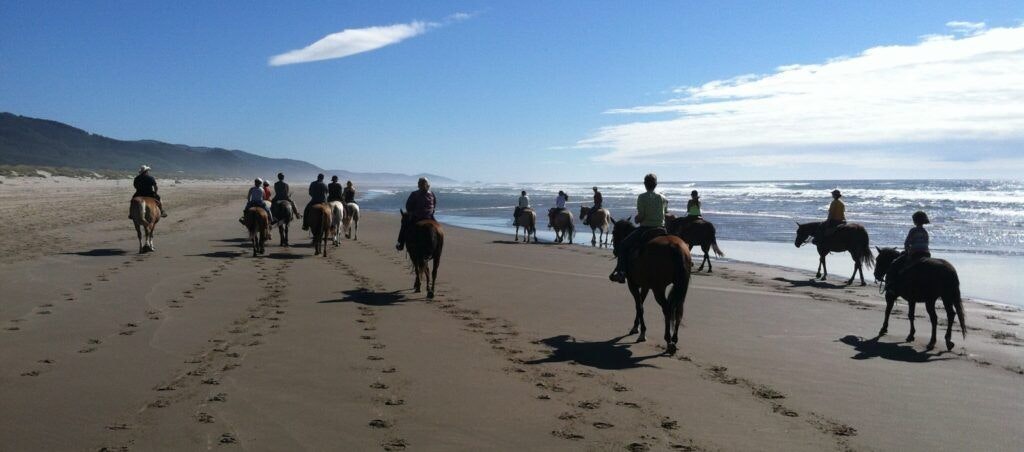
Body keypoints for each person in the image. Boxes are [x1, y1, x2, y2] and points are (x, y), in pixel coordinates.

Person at [609, 173, 668, 283]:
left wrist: (637, 219)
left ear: (645, 184)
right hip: (661, 229)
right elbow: (665, 213)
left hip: (646, 228)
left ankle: (621, 272)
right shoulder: (663, 198)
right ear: (656, 184)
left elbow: (642, 216)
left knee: (623, 245)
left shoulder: (642, 197)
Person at [885, 211, 932, 296]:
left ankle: (890, 286)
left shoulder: (913, 230)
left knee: (894, 264)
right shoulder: (925, 231)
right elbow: (927, 243)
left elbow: (907, 243)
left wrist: (907, 251)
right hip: (926, 254)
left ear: (915, 221)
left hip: (915, 253)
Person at [396, 177, 436, 250]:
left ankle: (400, 243)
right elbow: (434, 204)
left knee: (404, 224)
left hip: (417, 216)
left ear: (419, 185)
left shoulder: (414, 194)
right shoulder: (432, 194)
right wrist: (431, 212)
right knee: (437, 227)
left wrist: (411, 212)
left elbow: (408, 206)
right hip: (429, 216)